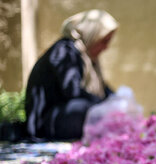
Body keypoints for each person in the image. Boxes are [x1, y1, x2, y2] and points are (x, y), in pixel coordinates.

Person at [25, 9, 118, 141]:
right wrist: (104, 104)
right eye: (104, 41)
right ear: (93, 35)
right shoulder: (65, 51)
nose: (106, 47)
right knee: (85, 108)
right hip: (45, 122)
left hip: (61, 116)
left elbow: (104, 90)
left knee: (102, 107)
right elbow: (72, 91)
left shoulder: (87, 57)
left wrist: (117, 100)